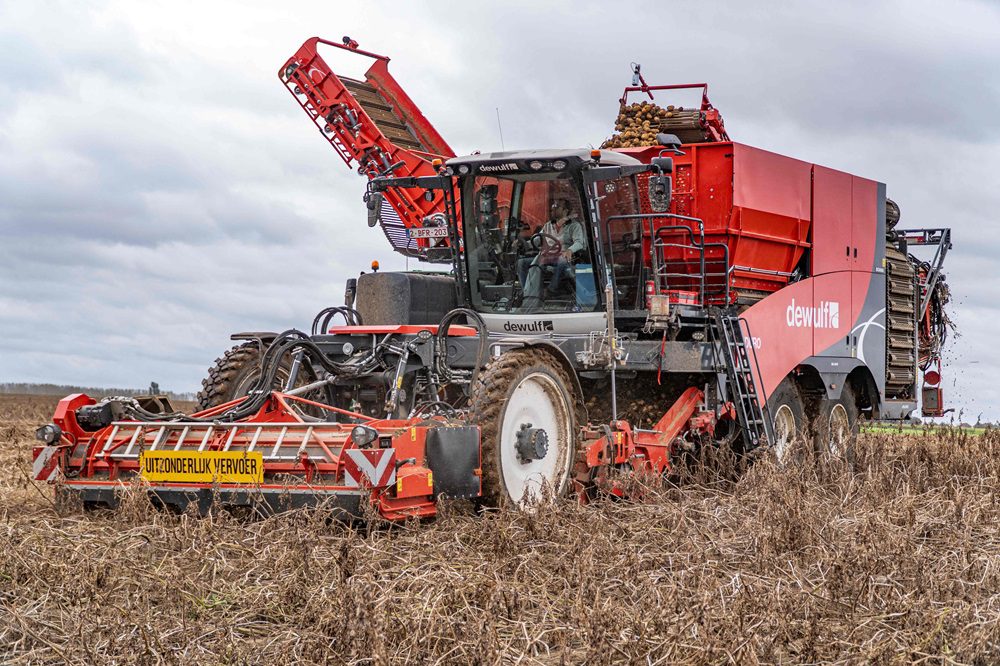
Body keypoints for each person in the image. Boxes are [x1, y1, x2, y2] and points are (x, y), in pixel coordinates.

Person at [520, 199, 587, 307]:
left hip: (564, 256)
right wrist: (523, 243)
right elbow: (537, 239)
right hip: (547, 257)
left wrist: (570, 250)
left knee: (562, 261)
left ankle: (551, 290)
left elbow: (579, 243)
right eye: (553, 206)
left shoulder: (575, 226)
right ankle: (528, 293)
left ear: (565, 210)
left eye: (557, 206)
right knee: (521, 263)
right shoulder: (548, 225)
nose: (553, 208)